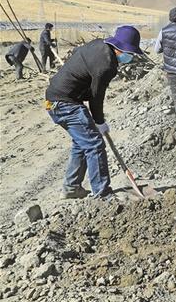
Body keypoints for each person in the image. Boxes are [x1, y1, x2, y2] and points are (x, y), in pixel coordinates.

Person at [45, 25, 142, 200]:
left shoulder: (99, 45)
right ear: (120, 48)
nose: (131, 56)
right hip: (64, 103)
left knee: (81, 142)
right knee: (94, 144)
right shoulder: (107, 65)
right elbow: (96, 96)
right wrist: (99, 121)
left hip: (58, 99)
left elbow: (80, 60)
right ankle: (102, 194)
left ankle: (72, 187)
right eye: (130, 52)